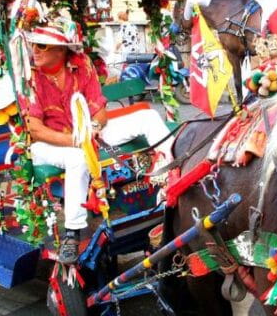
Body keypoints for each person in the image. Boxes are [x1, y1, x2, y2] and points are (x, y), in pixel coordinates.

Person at [25, 17, 173, 264]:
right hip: (49, 144)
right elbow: (36, 130)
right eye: (35, 45)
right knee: (78, 158)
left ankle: (171, 174)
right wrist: (75, 140)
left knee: (147, 117)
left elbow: (99, 109)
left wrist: (94, 126)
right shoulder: (31, 77)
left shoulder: (81, 65)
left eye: (42, 46)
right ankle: (72, 233)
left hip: (85, 133)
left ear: (61, 50)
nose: (35, 51)